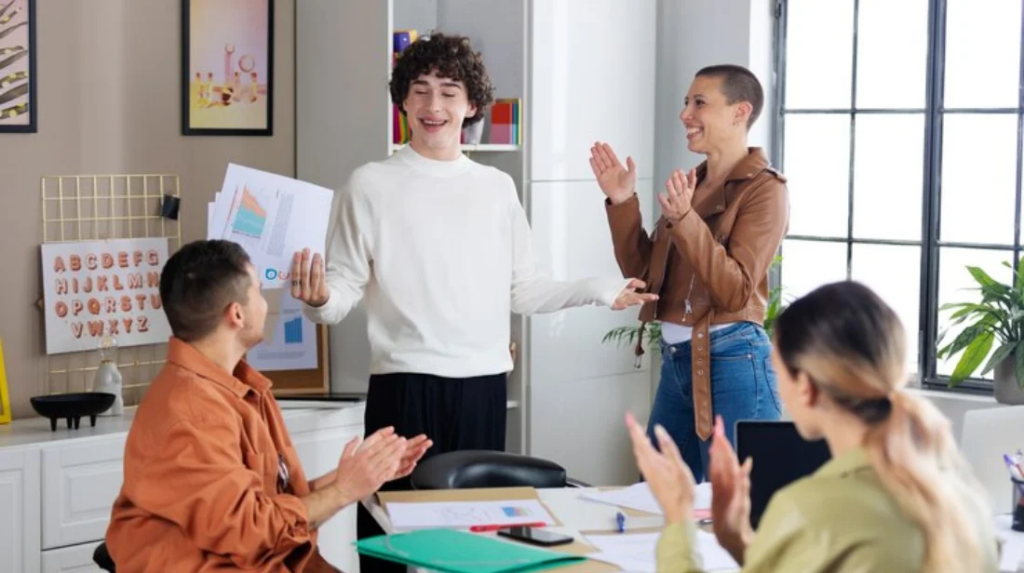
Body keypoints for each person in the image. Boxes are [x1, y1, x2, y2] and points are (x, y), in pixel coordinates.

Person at [290, 33, 656, 571]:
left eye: (448, 91)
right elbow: (340, 293)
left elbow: (524, 289)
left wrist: (601, 289)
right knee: (389, 537)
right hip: (404, 387)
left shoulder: (497, 188)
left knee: (476, 543)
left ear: (471, 104)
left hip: (483, 388)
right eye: (419, 91)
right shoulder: (368, 184)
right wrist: (319, 298)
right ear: (403, 101)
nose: (433, 106)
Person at [626, 281, 999, 572]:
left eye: (777, 366)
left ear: (805, 386)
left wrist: (678, 516)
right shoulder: (964, 499)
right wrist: (736, 539)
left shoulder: (807, 511)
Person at [105, 240, 431, 572]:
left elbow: (272, 505)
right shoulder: (193, 414)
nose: (266, 303)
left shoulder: (239, 389)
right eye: (260, 291)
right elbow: (250, 532)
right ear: (236, 313)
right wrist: (345, 489)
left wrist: (360, 475)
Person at [591, 64, 789, 482]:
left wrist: (684, 220)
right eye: (686, 102)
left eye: (700, 103)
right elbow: (645, 278)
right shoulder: (691, 184)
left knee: (741, 511)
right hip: (679, 362)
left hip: (735, 360)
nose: (685, 114)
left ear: (740, 112)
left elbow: (734, 291)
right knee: (657, 500)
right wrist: (623, 202)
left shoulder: (766, 190)